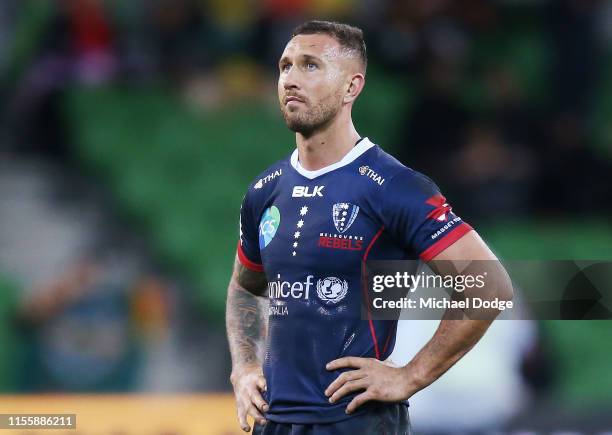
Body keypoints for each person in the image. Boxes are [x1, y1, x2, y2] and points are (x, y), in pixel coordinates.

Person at [225, 20, 513, 435]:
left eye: (310, 66)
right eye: (285, 66)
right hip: (275, 422)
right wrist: (245, 366)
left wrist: (409, 375)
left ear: (351, 86)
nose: (289, 78)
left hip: (356, 421)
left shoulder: (394, 186)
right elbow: (245, 288)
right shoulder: (264, 191)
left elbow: (489, 286)